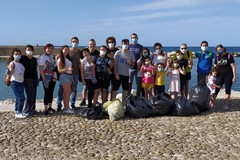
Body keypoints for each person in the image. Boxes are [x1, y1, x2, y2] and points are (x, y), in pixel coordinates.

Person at [57, 37, 82, 111]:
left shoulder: (78, 52)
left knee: (71, 90)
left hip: (73, 74)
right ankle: (61, 106)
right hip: (65, 75)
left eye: (76, 41)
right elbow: (59, 68)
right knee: (64, 91)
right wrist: (67, 69)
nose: (75, 43)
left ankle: (70, 106)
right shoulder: (61, 57)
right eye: (73, 41)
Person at [213, 44, 236, 110]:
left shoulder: (229, 56)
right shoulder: (217, 57)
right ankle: (211, 103)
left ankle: (225, 104)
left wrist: (234, 76)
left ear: (223, 48)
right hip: (219, 76)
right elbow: (215, 67)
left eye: (220, 49)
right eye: (218, 50)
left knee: (227, 90)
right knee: (216, 90)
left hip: (228, 76)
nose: (219, 51)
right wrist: (212, 73)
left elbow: (233, 67)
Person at [38, 43, 57, 115]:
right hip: (46, 77)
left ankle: (50, 107)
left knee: (51, 92)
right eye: (48, 48)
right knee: (47, 93)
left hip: (52, 76)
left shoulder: (51, 56)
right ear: (45, 49)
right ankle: (45, 109)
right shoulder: (42, 57)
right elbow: (41, 69)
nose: (50, 50)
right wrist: (44, 79)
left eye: (51, 49)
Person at [80, 39, 99, 106]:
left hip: (93, 76)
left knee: (96, 89)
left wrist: (94, 77)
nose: (92, 45)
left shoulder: (96, 54)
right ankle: (87, 102)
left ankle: (94, 102)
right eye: (91, 44)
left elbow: (93, 68)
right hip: (86, 77)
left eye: (93, 44)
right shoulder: (83, 59)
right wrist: (82, 79)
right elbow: (82, 70)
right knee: (87, 89)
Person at [7, 48, 26, 118]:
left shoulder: (21, 64)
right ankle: (19, 112)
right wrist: (8, 79)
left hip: (21, 82)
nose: (17, 55)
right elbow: (9, 73)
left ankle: (17, 111)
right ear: (13, 55)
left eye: (19, 54)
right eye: (16, 54)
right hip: (15, 82)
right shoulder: (12, 63)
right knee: (21, 97)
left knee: (18, 98)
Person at [20, 45, 38, 116]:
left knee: (34, 94)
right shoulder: (22, 58)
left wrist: (37, 78)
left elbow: (35, 69)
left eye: (30, 49)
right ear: (25, 50)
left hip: (34, 78)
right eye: (28, 49)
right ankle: (26, 110)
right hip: (27, 79)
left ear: (33, 51)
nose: (29, 51)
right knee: (29, 95)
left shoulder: (34, 59)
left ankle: (32, 109)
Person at [57, 45, 75, 114]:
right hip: (64, 76)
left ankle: (66, 107)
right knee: (68, 92)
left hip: (69, 76)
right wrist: (68, 69)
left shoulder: (67, 58)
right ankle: (66, 108)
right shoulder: (60, 59)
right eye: (65, 49)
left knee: (66, 93)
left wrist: (72, 77)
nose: (67, 51)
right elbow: (59, 70)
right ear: (62, 50)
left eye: (68, 49)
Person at [106, 36, 119, 100]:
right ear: (107, 43)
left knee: (114, 88)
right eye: (109, 42)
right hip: (106, 72)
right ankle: (105, 101)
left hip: (115, 72)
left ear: (115, 43)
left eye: (112, 42)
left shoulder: (117, 51)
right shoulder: (105, 50)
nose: (111, 43)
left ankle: (112, 100)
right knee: (105, 88)